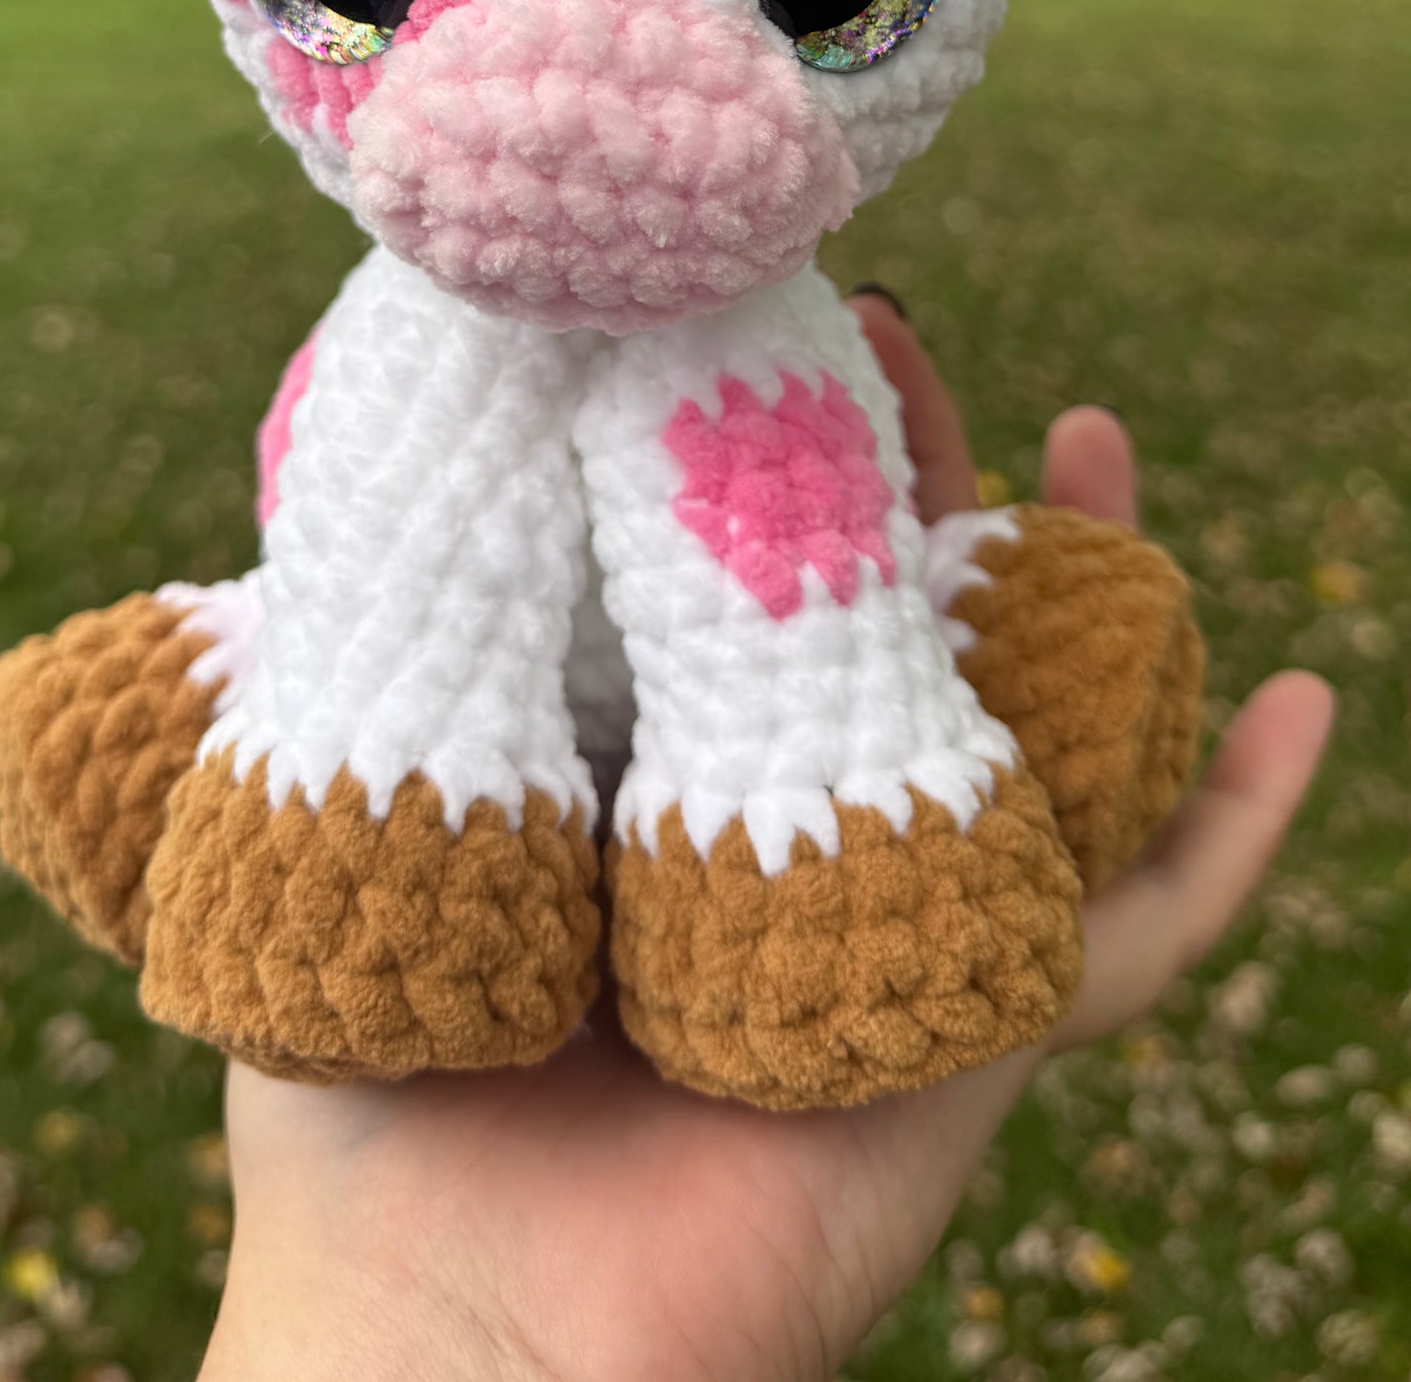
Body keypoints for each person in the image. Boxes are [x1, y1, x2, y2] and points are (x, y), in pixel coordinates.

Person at [200, 291, 1336, 1382]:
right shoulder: (404, 371)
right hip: (456, 723)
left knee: (942, 627)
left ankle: (869, 791)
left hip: (757, 734)